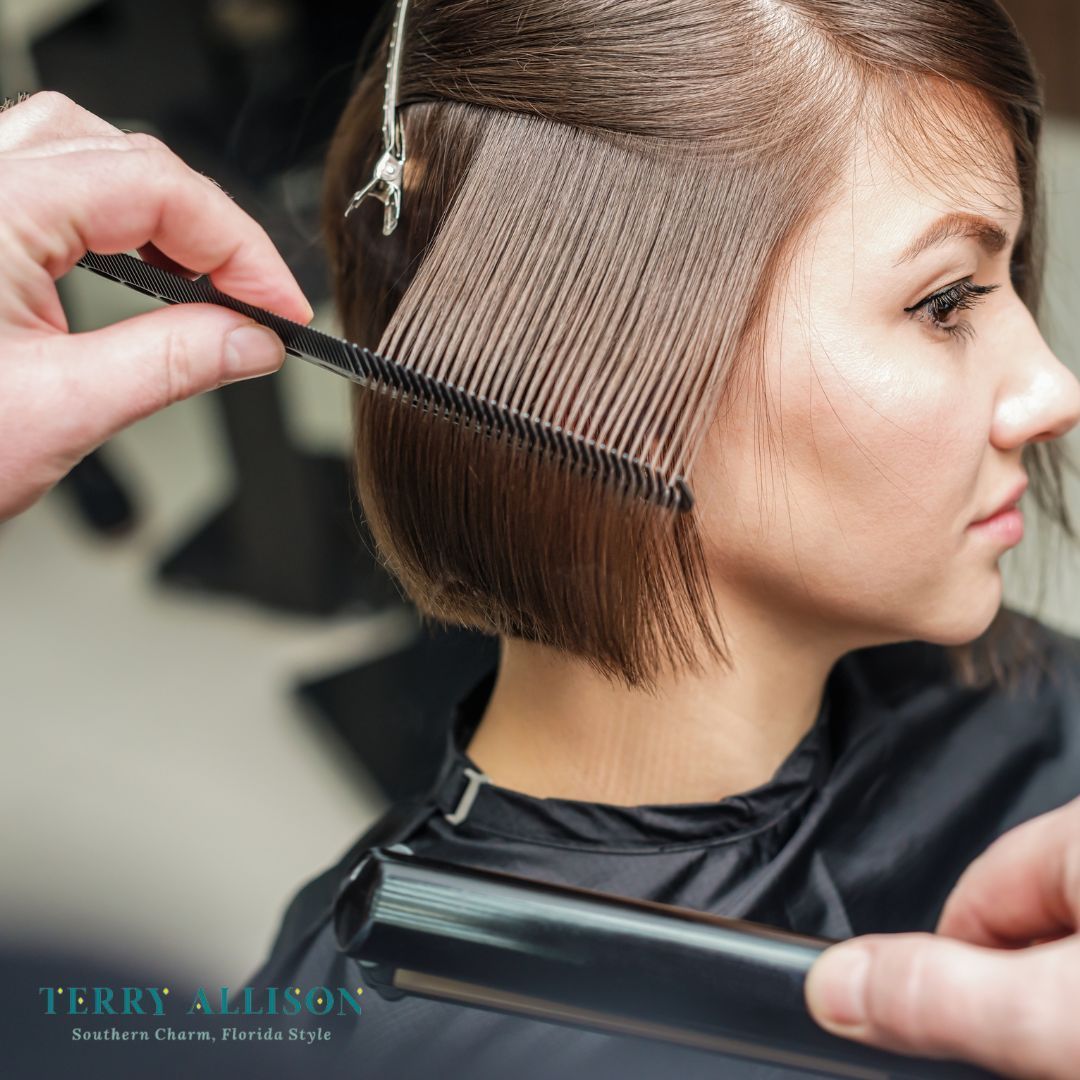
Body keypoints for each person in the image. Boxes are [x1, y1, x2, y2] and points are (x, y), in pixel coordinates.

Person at [0, 33, 1070, 1080]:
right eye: (945, 302)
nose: (1053, 390)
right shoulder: (400, 1010)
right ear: (597, 371)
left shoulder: (1033, 705)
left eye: (1006, 275)